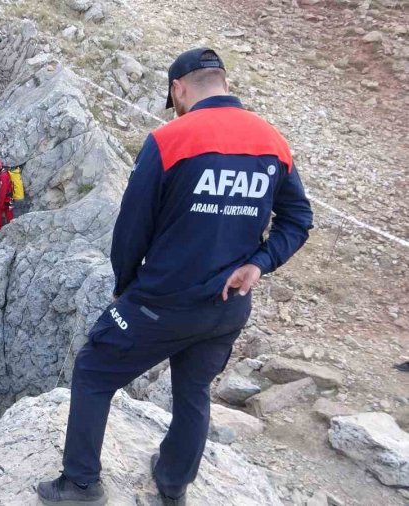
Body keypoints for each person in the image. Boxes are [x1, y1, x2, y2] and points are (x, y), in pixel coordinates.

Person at [36, 47, 314, 506]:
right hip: (228, 307)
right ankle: (172, 484)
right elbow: (298, 218)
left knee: (93, 370)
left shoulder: (171, 139)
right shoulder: (273, 142)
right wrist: (259, 263)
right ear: (222, 82)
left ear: (179, 89)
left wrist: (125, 288)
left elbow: (132, 226)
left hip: (162, 302)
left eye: (175, 98)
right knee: (193, 389)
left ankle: (80, 484)